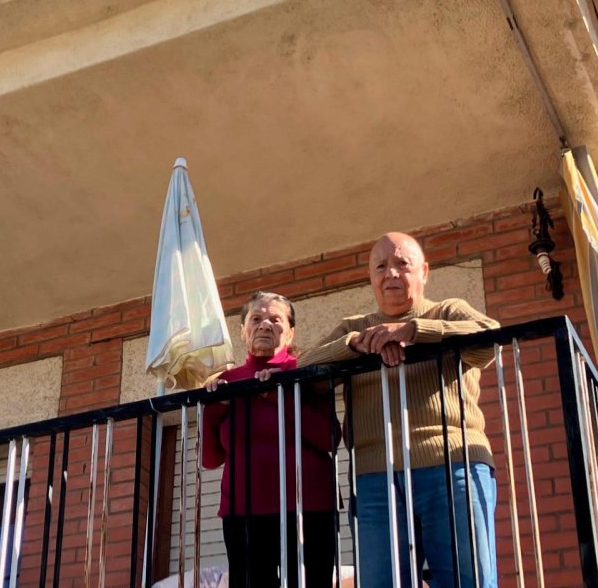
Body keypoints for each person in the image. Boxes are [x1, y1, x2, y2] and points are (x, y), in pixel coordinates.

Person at [300, 232, 499, 588]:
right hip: (376, 478)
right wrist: (359, 345)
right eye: (380, 266)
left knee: (469, 581)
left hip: (454, 466)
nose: (390, 273)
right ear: (371, 279)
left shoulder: (447, 310)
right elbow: (304, 370)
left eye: (401, 264)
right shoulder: (354, 328)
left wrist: (413, 331)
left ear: (424, 271)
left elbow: (489, 338)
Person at [201, 291, 338, 588]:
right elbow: (210, 460)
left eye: (275, 319)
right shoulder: (228, 382)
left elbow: (330, 439)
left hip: (307, 508)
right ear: (243, 332)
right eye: (256, 319)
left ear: (289, 333)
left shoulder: (305, 373)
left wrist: (281, 395)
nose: (264, 325)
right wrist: (213, 409)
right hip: (242, 513)